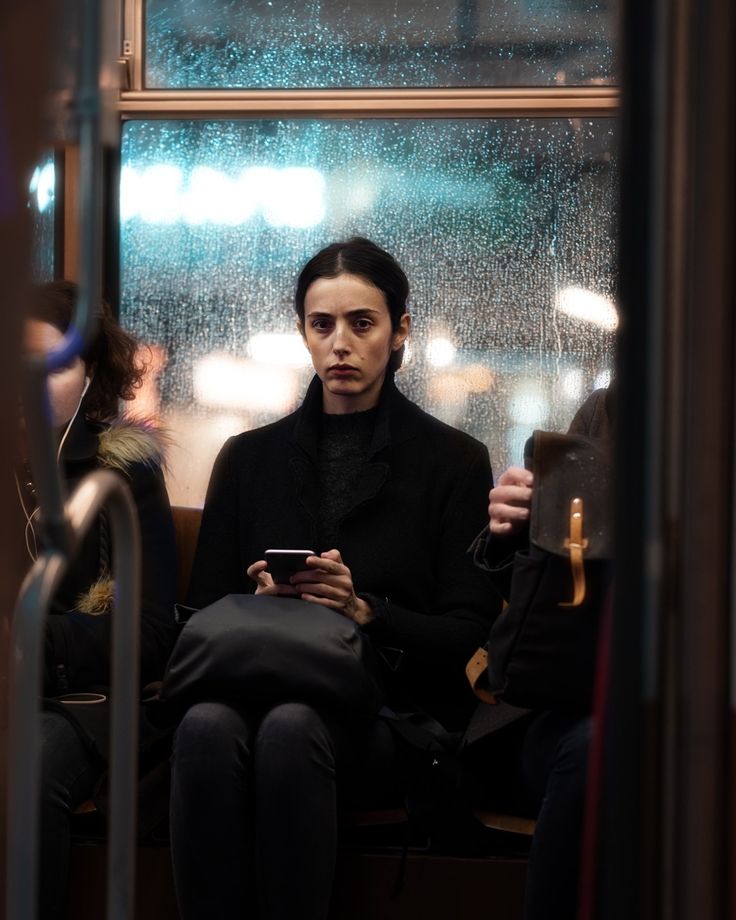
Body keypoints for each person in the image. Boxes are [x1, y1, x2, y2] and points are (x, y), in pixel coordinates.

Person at [170, 237, 501, 920]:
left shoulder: (454, 462)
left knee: (292, 728)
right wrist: (257, 606)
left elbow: (469, 632)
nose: (340, 344)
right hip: (254, 686)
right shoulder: (248, 458)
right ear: (303, 333)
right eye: (322, 325)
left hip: (388, 712)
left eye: (362, 323)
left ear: (400, 331)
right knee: (203, 726)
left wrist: (366, 611)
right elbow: (197, 614)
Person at [18, 280, 178, 919]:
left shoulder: (122, 474)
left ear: (90, 377)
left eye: (54, 365)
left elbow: (149, 636)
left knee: (29, 771)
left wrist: (32, 638)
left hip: (80, 702)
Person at [472, 386, 614, 920]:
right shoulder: (612, 408)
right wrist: (516, 528)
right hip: (572, 706)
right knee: (599, 744)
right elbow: (554, 600)